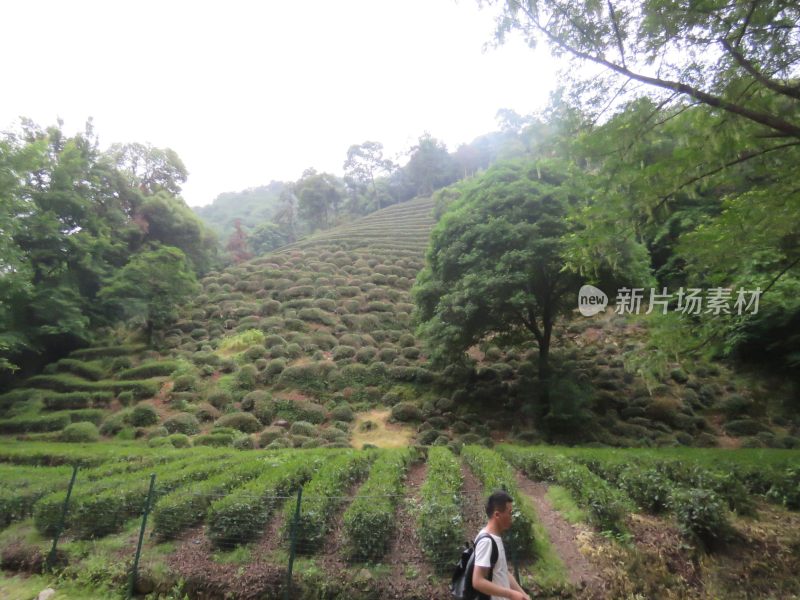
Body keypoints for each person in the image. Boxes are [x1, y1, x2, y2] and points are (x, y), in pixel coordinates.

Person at [472, 490, 531, 600]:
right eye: (509, 513)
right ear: (497, 515)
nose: (511, 517)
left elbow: (502, 571)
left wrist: (523, 594)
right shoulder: (487, 541)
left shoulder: (495, 539)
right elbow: (477, 581)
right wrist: (510, 594)